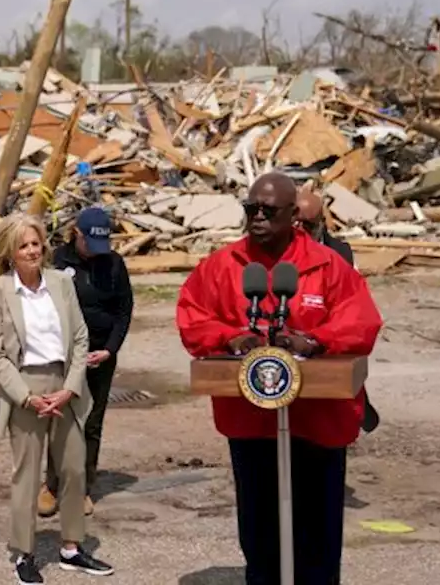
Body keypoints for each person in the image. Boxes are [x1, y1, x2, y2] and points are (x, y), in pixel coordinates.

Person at [176, 172, 383, 585]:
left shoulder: (328, 266)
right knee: (259, 530)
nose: (257, 217)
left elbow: (361, 321)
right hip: (252, 424)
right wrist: (232, 337)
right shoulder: (223, 266)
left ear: (294, 216)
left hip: (316, 423)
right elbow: (193, 316)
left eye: (268, 211)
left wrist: (315, 341)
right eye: (250, 209)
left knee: (317, 534)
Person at [0, 212, 115, 584]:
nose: (32, 251)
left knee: (73, 469)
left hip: (65, 383)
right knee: (26, 475)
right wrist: (26, 397)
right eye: (23, 245)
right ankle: (23, 554)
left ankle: (72, 548)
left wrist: (71, 387)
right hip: (25, 387)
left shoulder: (61, 283)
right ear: (10, 251)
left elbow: (79, 338)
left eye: (36, 244)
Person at [41, 206, 134, 518]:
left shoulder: (114, 264)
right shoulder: (56, 261)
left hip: (99, 356)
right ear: (75, 234)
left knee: (91, 423)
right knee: (59, 420)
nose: (95, 254)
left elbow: (123, 310)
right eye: (88, 245)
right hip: (63, 355)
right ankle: (52, 485)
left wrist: (109, 349)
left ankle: (81, 487)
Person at [296, 190, 379, 435]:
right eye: (294, 222)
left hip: (325, 342)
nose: (300, 231)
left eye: (307, 225)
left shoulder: (340, 254)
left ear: (321, 224)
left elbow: (355, 311)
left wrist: (320, 338)